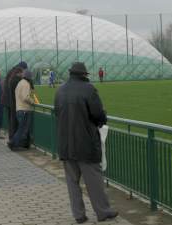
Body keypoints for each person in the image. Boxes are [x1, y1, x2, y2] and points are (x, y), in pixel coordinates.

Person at [54, 62, 118, 224]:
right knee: (94, 181)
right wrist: (103, 118)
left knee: (72, 182)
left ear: (71, 73)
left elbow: (57, 113)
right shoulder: (89, 89)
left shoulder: (60, 90)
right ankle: (103, 211)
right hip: (86, 144)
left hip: (66, 143)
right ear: (84, 75)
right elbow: (98, 115)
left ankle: (79, 215)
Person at [8, 71, 35, 151]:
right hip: (24, 109)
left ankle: (20, 143)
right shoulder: (26, 84)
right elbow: (25, 97)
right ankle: (13, 143)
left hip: (19, 109)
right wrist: (32, 101)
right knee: (22, 129)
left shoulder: (20, 83)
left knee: (21, 128)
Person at [3, 62, 28, 139]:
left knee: (11, 120)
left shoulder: (11, 72)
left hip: (8, 100)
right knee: (14, 121)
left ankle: (12, 138)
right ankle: (13, 140)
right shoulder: (14, 76)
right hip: (12, 101)